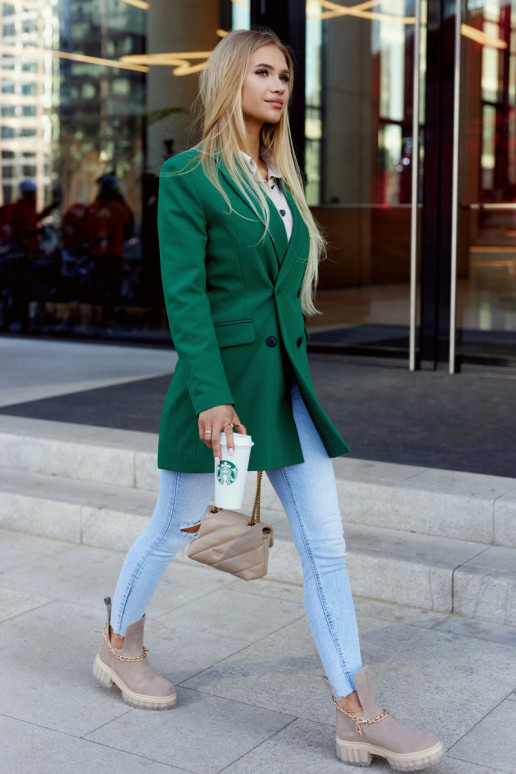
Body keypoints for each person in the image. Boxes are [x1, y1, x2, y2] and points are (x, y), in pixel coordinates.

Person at [93, 28, 444, 771]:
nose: (279, 85)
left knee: (326, 548)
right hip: (221, 396)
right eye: (263, 72)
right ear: (231, 81)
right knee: (179, 523)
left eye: (285, 74)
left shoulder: (281, 180)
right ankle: (119, 643)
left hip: (285, 394)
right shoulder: (189, 179)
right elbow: (186, 299)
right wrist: (213, 398)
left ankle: (358, 710)